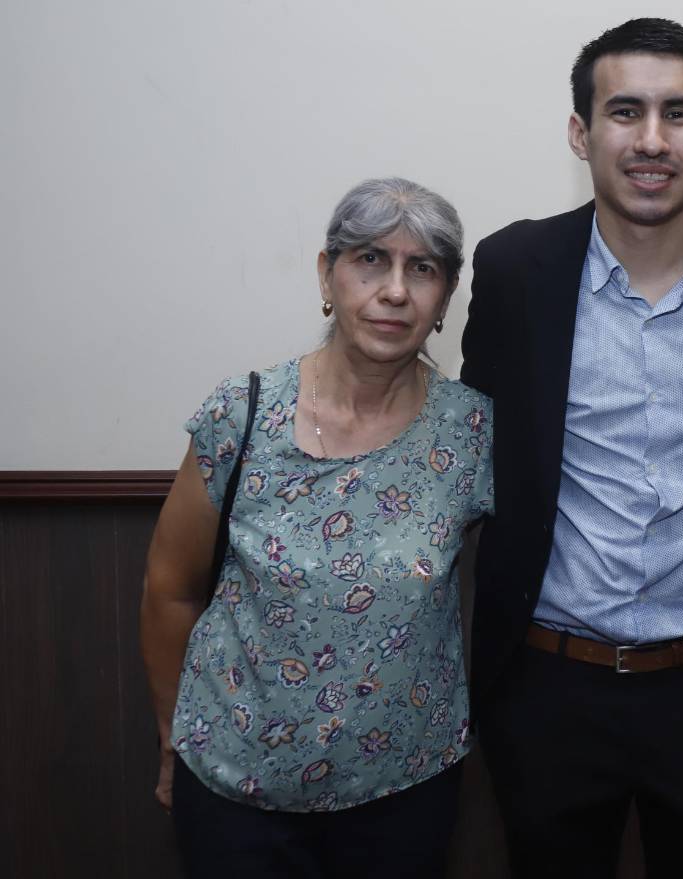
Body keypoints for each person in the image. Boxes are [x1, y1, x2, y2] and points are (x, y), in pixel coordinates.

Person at [459, 17, 683, 879]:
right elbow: (471, 435)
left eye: (678, 113)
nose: (651, 140)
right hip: (548, 684)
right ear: (581, 131)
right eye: (625, 111)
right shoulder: (516, 269)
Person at [139, 177, 493, 877]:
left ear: (446, 296)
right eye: (369, 259)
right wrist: (171, 737)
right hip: (236, 792)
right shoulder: (242, 412)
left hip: (403, 793)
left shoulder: (474, 430)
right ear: (326, 273)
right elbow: (169, 589)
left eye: (422, 268)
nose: (394, 290)